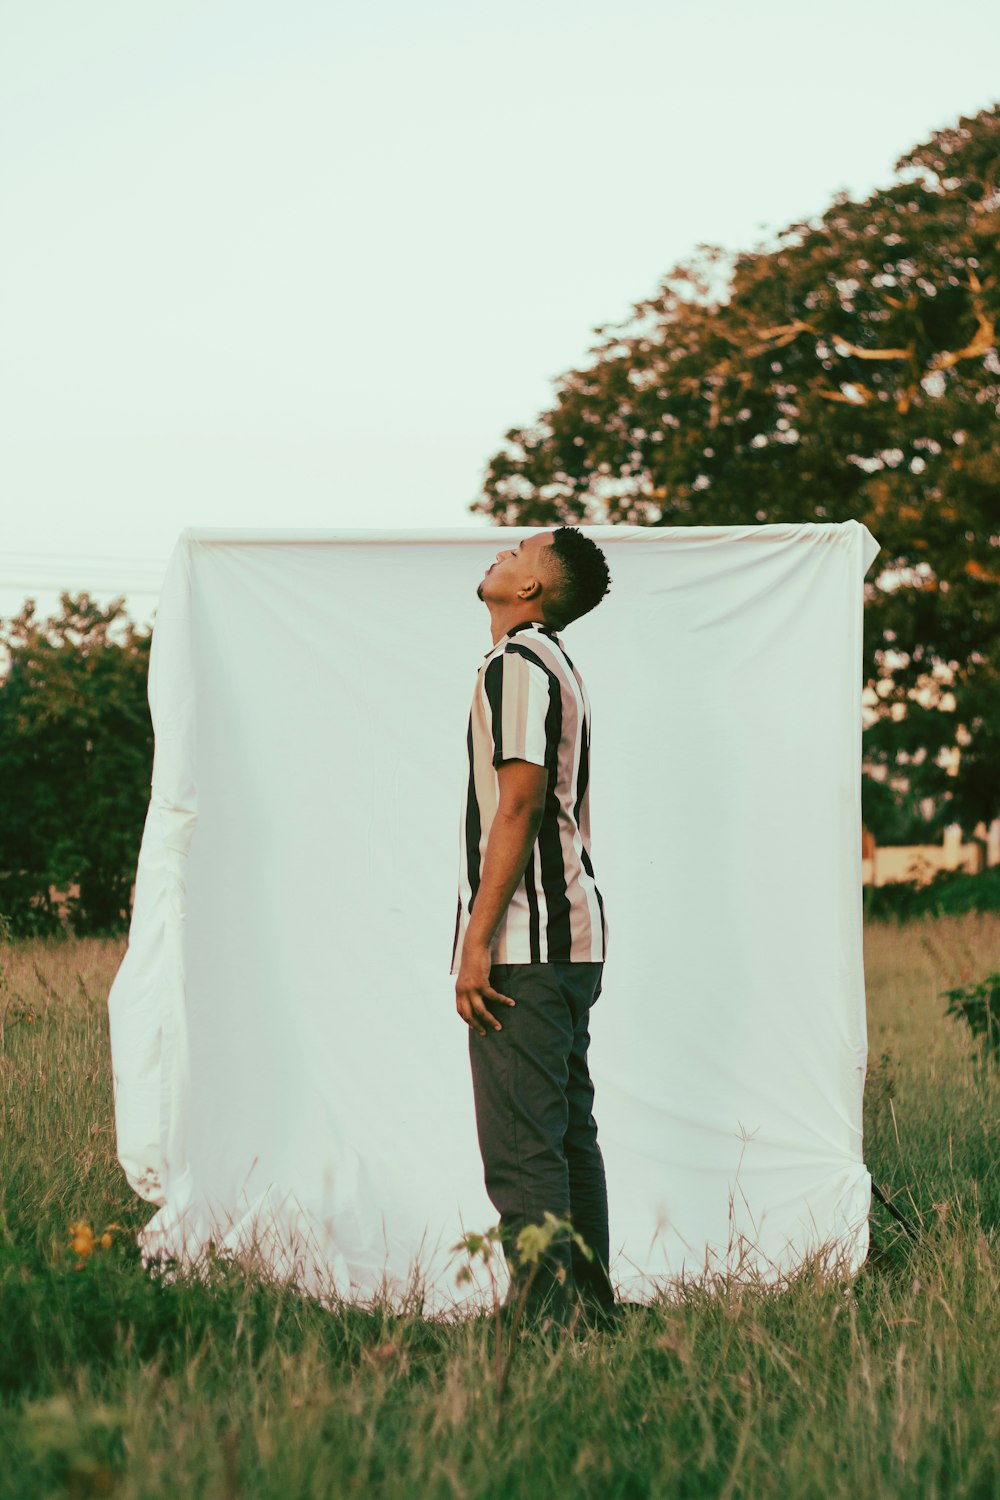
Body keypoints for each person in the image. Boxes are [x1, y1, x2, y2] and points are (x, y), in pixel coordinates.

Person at [450, 526, 621, 1331]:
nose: (501, 551)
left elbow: (516, 804)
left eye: (518, 551)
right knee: (563, 1136)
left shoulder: (516, 665)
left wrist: (475, 942)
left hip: (530, 945)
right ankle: (589, 1311)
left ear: (533, 591)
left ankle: (549, 1326)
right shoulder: (555, 663)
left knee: (523, 1148)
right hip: (569, 944)